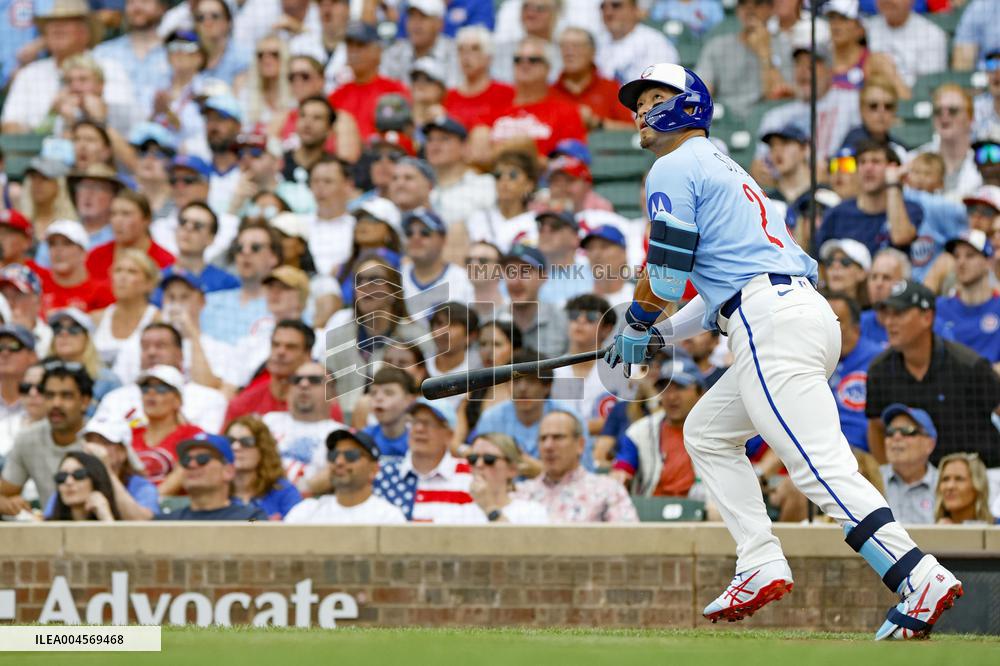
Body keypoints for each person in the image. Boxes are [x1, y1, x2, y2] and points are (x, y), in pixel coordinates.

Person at [605, 62, 962, 637]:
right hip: (785, 313)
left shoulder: (673, 165)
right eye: (637, 102)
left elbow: (667, 277)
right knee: (706, 431)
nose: (639, 111)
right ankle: (760, 559)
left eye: (652, 98)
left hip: (769, 322)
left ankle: (917, 576)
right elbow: (721, 289)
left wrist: (638, 317)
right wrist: (659, 334)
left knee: (818, 465)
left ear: (686, 105)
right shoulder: (725, 167)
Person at [866, 279, 1000, 467]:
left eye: (899, 313)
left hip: (980, 476)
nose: (889, 322)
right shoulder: (879, 371)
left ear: (927, 317)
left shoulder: (968, 365)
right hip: (914, 482)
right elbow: (876, 428)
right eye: (887, 314)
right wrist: (887, 475)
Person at [0, 0, 135, 134]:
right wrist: (50, 117)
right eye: (51, 23)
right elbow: (8, 125)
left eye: (66, 22)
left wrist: (91, 112)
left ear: (85, 32)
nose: (57, 27)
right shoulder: (29, 73)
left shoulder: (109, 68)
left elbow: (126, 123)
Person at [323, 254, 432, 416]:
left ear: (393, 290)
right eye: (359, 281)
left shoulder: (417, 337)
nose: (365, 286)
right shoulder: (337, 337)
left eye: (374, 279)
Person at [93, 322, 229, 433]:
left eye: (160, 346)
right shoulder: (116, 398)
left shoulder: (209, 398)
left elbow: (208, 445)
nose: (151, 352)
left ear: (180, 354)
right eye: (145, 347)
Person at [0, 361, 92, 514]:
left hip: (100, 530)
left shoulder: (103, 439)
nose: (56, 403)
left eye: (66, 396)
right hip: (48, 530)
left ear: (84, 401)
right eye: (49, 395)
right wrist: (6, 504)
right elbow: (5, 491)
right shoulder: (28, 439)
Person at [514, 410, 637, 523]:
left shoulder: (608, 489)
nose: (548, 446)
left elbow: (630, 540)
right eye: (542, 439)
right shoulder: (520, 493)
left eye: (558, 437)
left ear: (580, 445)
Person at [374, 398, 480, 523]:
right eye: (414, 422)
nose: (419, 429)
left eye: (428, 423)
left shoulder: (471, 475)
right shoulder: (382, 472)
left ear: (449, 435)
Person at [471, 348, 574, 472]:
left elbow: (581, 471)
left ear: (547, 386)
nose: (522, 388)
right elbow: (478, 467)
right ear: (507, 385)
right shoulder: (491, 419)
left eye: (531, 381)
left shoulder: (569, 419)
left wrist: (539, 470)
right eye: (516, 380)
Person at [815, 140, 921, 259]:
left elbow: (900, 237)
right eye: (862, 162)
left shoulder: (910, 209)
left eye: (876, 162)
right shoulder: (837, 214)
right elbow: (818, 262)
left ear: (893, 168)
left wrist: (893, 183)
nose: (868, 168)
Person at [613, 358, 702, 497]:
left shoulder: (724, 428)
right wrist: (618, 478)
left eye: (680, 387)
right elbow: (622, 469)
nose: (672, 397)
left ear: (700, 392)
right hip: (654, 512)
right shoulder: (639, 432)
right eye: (665, 389)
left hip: (708, 512)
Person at [284, 429, 406, 524]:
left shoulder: (389, 517)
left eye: (351, 455)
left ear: (374, 469)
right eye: (333, 454)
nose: (339, 462)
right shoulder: (305, 512)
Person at [490, 38, 586, 158]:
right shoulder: (495, 107)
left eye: (533, 60)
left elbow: (573, 161)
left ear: (548, 68)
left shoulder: (566, 112)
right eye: (518, 60)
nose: (524, 64)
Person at [550, 295, 626, 436]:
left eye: (591, 317)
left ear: (607, 329)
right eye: (574, 315)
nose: (580, 320)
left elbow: (625, 417)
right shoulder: (553, 370)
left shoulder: (621, 371)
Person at [263, 360, 346, 489]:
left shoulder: (343, 435)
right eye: (296, 380)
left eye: (314, 380)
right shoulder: (268, 421)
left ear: (332, 391)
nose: (303, 384)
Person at [695, 0, 784, 113]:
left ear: (771, 9)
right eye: (743, 3)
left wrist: (765, 53)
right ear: (737, 10)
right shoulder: (717, 46)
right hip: (724, 118)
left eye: (758, 3)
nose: (750, 9)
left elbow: (779, 97)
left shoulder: (783, 44)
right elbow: (701, 92)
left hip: (766, 118)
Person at [154, 433, 268, 521]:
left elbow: (258, 527)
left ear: (228, 471)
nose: (192, 465)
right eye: (186, 460)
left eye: (202, 459)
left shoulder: (251, 518)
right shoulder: (166, 522)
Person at [328, 21, 410, 140]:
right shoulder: (337, 96)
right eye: (350, 46)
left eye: (360, 45)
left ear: (378, 51)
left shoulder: (394, 90)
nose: (353, 52)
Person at [224, 320, 318, 423]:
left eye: (291, 347)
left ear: (308, 355)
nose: (280, 352)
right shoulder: (243, 404)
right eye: (275, 345)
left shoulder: (322, 406)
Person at [200, 224, 280, 344]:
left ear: (274, 257)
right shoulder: (208, 302)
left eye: (255, 247)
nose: (245, 252)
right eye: (239, 247)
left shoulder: (285, 306)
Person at [92, 0, 171, 119]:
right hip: (112, 131)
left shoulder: (178, 54)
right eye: (131, 2)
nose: (137, 7)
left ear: (162, 8)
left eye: (145, 2)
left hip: (166, 132)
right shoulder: (103, 53)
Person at [826, 293, 882, 453]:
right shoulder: (814, 357)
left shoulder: (877, 360)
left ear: (856, 328)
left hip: (863, 454)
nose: (830, 329)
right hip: (819, 449)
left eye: (837, 322)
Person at [935, 231, 1000, 366]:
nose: (961, 262)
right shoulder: (939, 308)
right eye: (956, 256)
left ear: (988, 262)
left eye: (970, 256)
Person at [77, 416, 159, 520]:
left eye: (105, 443)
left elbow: (143, 523)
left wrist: (106, 469)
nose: (93, 448)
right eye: (90, 441)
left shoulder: (141, 487)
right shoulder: (73, 480)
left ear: (123, 452)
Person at [555, 26, 635, 131]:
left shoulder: (610, 88)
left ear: (592, 52)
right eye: (564, 47)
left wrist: (597, 124)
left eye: (576, 46)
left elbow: (632, 131)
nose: (569, 52)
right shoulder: (549, 91)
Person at [453, 320, 519, 448]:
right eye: (483, 344)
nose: (488, 351)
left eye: (497, 344)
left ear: (515, 349)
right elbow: (455, 442)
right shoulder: (472, 391)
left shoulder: (524, 392)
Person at [92, 250, 162, 368]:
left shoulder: (159, 321)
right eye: (118, 271)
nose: (122, 277)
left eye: (132, 272)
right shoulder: (95, 319)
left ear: (149, 283)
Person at [425, 116, 496, 230]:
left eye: (444, 139)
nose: (435, 145)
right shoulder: (421, 186)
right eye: (430, 139)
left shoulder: (485, 184)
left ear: (465, 147)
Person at [225, 415, 301, 520]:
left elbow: (297, 532)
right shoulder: (214, 492)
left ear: (263, 449)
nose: (236, 447)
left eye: (246, 442)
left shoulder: (284, 492)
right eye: (230, 441)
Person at [499, 244, 568, 358]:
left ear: (543, 276)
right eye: (511, 272)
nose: (516, 281)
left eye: (525, 272)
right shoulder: (492, 321)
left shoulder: (563, 322)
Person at [465, 150, 540, 253]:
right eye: (498, 175)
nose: (504, 181)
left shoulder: (538, 223)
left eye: (512, 175)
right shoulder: (477, 217)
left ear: (529, 185)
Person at [400, 208, 475, 310]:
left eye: (425, 233)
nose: (415, 238)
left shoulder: (463, 279)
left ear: (443, 239)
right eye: (409, 233)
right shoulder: (395, 276)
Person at [443, 26, 514, 133]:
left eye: (475, 49)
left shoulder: (506, 93)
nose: (466, 56)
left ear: (488, 57)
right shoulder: (449, 96)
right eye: (461, 50)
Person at [46, 308, 121, 406]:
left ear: (88, 337)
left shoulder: (107, 380)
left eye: (74, 328)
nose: (63, 333)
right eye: (57, 328)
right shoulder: (39, 374)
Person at [37, 220, 115, 315]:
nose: (58, 250)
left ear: (83, 252)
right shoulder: (36, 285)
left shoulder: (101, 292)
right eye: (52, 244)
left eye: (67, 244)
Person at [467, 432, 548, 524]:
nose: (479, 464)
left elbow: (518, 539)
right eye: (473, 458)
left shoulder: (532, 512)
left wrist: (490, 509)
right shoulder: (459, 511)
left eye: (489, 459)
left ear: (512, 469)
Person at [863, 0, 946, 88]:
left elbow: (929, 90)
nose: (887, 1)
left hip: (914, 99)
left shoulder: (932, 34)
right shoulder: (865, 29)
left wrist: (889, 72)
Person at [879, 403, 938, 525]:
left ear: (930, 444)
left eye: (907, 431)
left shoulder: (946, 483)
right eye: (890, 431)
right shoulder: (870, 481)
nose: (896, 437)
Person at [596, 0, 678, 85]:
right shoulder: (597, 43)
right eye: (603, 7)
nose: (608, 12)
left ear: (635, 10)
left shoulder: (654, 42)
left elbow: (655, 91)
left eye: (616, 5)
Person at [382, 0, 459, 87]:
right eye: (412, 16)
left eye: (423, 17)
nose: (416, 23)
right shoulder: (394, 53)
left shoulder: (455, 53)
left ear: (439, 23)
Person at [306, 158, 356, 278]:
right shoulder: (299, 225)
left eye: (328, 181)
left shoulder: (357, 226)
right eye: (315, 181)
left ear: (347, 186)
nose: (320, 187)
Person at [534, 210, 593, 305]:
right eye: (541, 226)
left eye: (555, 226)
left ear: (575, 238)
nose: (545, 231)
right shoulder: (524, 275)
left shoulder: (593, 276)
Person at [47, 451, 120, 521]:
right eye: (62, 476)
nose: (69, 482)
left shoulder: (120, 522)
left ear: (95, 479)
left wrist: (106, 517)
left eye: (79, 474)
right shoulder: (46, 526)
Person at [580, 225, 634, 306]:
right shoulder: (577, 300)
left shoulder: (640, 300)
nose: (596, 254)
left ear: (623, 253)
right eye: (590, 248)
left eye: (604, 246)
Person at [0, 363, 48, 454]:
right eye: (26, 387)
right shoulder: (3, 426)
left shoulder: (68, 432)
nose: (32, 393)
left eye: (41, 387)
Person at [935, 453, 994, 524]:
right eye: (945, 479)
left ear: (978, 485)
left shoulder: (996, 529)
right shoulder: (927, 531)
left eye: (959, 479)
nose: (950, 486)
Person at [0, 324, 38, 423]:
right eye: (0, 347)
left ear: (33, 356)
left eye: (14, 346)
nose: (5, 353)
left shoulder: (43, 400)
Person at [819, 238, 871, 308]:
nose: (835, 265)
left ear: (862, 273)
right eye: (830, 261)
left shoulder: (880, 314)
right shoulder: (813, 307)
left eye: (845, 261)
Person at [465, 241, 509, 319]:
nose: (473, 265)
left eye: (482, 260)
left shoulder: (512, 312)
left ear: (500, 268)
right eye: (469, 260)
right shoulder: (460, 308)